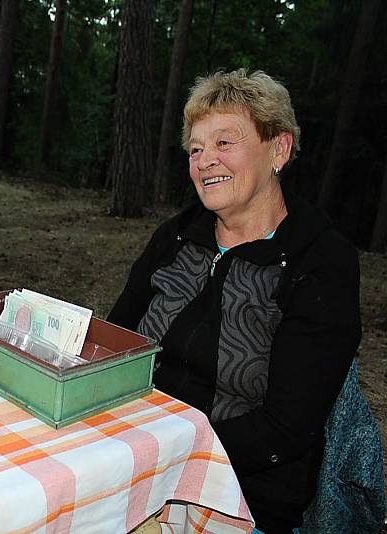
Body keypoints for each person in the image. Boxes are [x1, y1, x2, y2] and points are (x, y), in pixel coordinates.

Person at [107, 69, 361, 533]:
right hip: (134, 457)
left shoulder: (320, 261)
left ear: (279, 150)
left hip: (237, 492)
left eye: (225, 143)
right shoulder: (177, 237)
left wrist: (163, 453)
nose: (205, 160)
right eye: (196, 149)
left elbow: (285, 427)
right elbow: (114, 342)